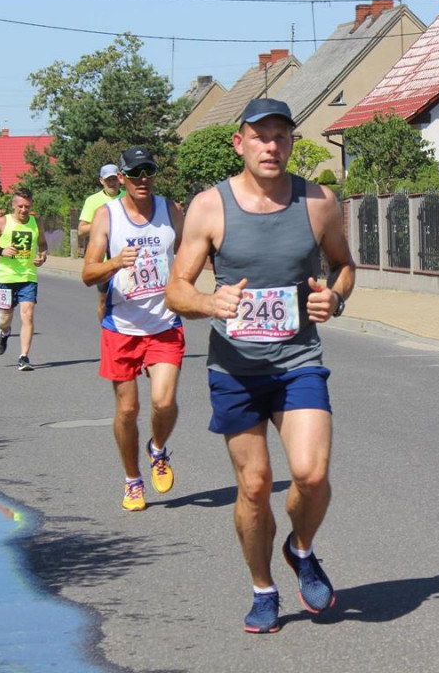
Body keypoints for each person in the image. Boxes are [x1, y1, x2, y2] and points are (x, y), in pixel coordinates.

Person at [165, 98, 356, 634]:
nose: (270, 146)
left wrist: (335, 299)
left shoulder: (318, 202)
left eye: (280, 136)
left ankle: (300, 548)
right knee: (254, 486)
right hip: (235, 369)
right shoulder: (209, 206)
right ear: (240, 143)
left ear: (292, 143)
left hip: (298, 359)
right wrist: (209, 303)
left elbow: (343, 265)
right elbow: (176, 288)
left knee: (311, 475)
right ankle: (263, 588)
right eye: (259, 136)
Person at [82, 148, 185, 512]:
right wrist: (114, 262)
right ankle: (132, 480)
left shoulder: (171, 211)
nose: (143, 179)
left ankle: (157, 449)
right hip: (121, 327)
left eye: (149, 171)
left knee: (164, 401)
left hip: (163, 323)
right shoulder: (106, 215)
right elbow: (86, 273)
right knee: (128, 411)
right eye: (135, 172)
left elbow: (191, 255)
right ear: (121, 177)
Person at [0, 189, 48, 371]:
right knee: (4, 318)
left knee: (28, 314)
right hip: (5, 275)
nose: (23, 210)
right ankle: (4, 333)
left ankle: (24, 357)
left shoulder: (36, 222)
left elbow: (42, 244)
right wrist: (1, 250)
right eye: (20, 206)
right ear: (13, 205)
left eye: (27, 206)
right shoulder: (3, 221)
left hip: (28, 276)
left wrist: (41, 257)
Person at [79, 163, 125, 322]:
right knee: (104, 302)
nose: (112, 183)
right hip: (104, 262)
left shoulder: (128, 198)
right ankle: (106, 330)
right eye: (108, 180)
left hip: (127, 260)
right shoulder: (93, 200)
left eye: (114, 179)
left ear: (120, 178)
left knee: (130, 301)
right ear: (101, 181)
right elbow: (81, 230)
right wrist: (105, 224)